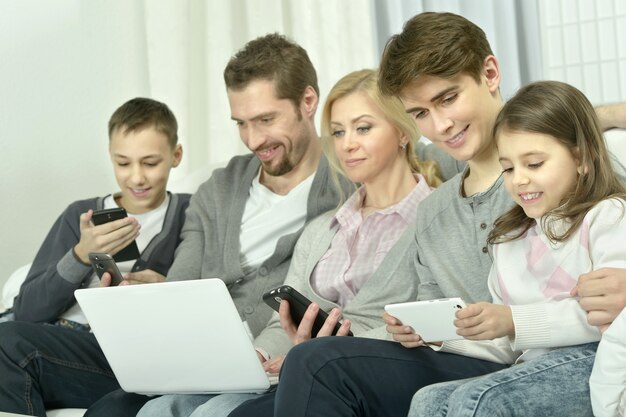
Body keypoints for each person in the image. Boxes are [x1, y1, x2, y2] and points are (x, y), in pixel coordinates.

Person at [227, 12, 626, 417]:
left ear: (490, 73)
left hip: (542, 356)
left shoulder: (570, 170)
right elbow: (431, 309)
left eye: (448, 98)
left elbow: (573, 138)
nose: (441, 125)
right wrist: (414, 330)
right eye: (419, 114)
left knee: (318, 363)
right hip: (471, 351)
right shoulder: (436, 210)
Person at [84, 35, 462, 417]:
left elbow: (470, 158)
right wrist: (262, 353)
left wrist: (315, 349)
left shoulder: (435, 210)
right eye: (339, 132)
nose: (348, 144)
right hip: (277, 359)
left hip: (353, 365)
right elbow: (284, 316)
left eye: (362, 128)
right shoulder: (322, 227)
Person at [408, 80, 626, 417]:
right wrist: (437, 336)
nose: (519, 179)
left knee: (480, 400)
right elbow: (506, 343)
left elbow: (609, 317)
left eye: (534, 164)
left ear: (582, 159)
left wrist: (513, 321)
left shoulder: (607, 217)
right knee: (428, 400)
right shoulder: (508, 241)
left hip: (593, 356)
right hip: (531, 367)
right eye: (508, 168)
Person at [0, 97, 190, 416]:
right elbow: (28, 311)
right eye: (123, 163)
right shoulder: (79, 214)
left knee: (7, 343)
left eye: (150, 162)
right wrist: (79, 255)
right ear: (110, 156)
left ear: (176, 155)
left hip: (112, 353)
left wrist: (164, 286)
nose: (136, 177)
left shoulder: (191, 214)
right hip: (54, 339)